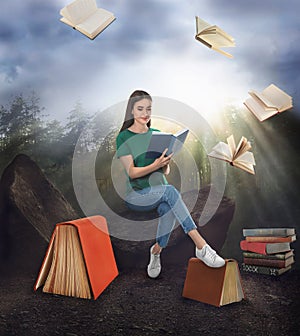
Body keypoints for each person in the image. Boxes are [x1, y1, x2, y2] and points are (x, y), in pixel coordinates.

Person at [116, 90, 225, 278]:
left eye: (148, 109)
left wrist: (164, 164)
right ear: (131, 111)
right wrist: (155, 164)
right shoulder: (124, 137)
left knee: (167, 207)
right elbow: (132, 172)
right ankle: (201, 246)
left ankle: (156, 251)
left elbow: (164, 172)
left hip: (160, 191)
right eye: (140, 109)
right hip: (137, 195)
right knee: (171, 192)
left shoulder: (157, 134)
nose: (145, 113)